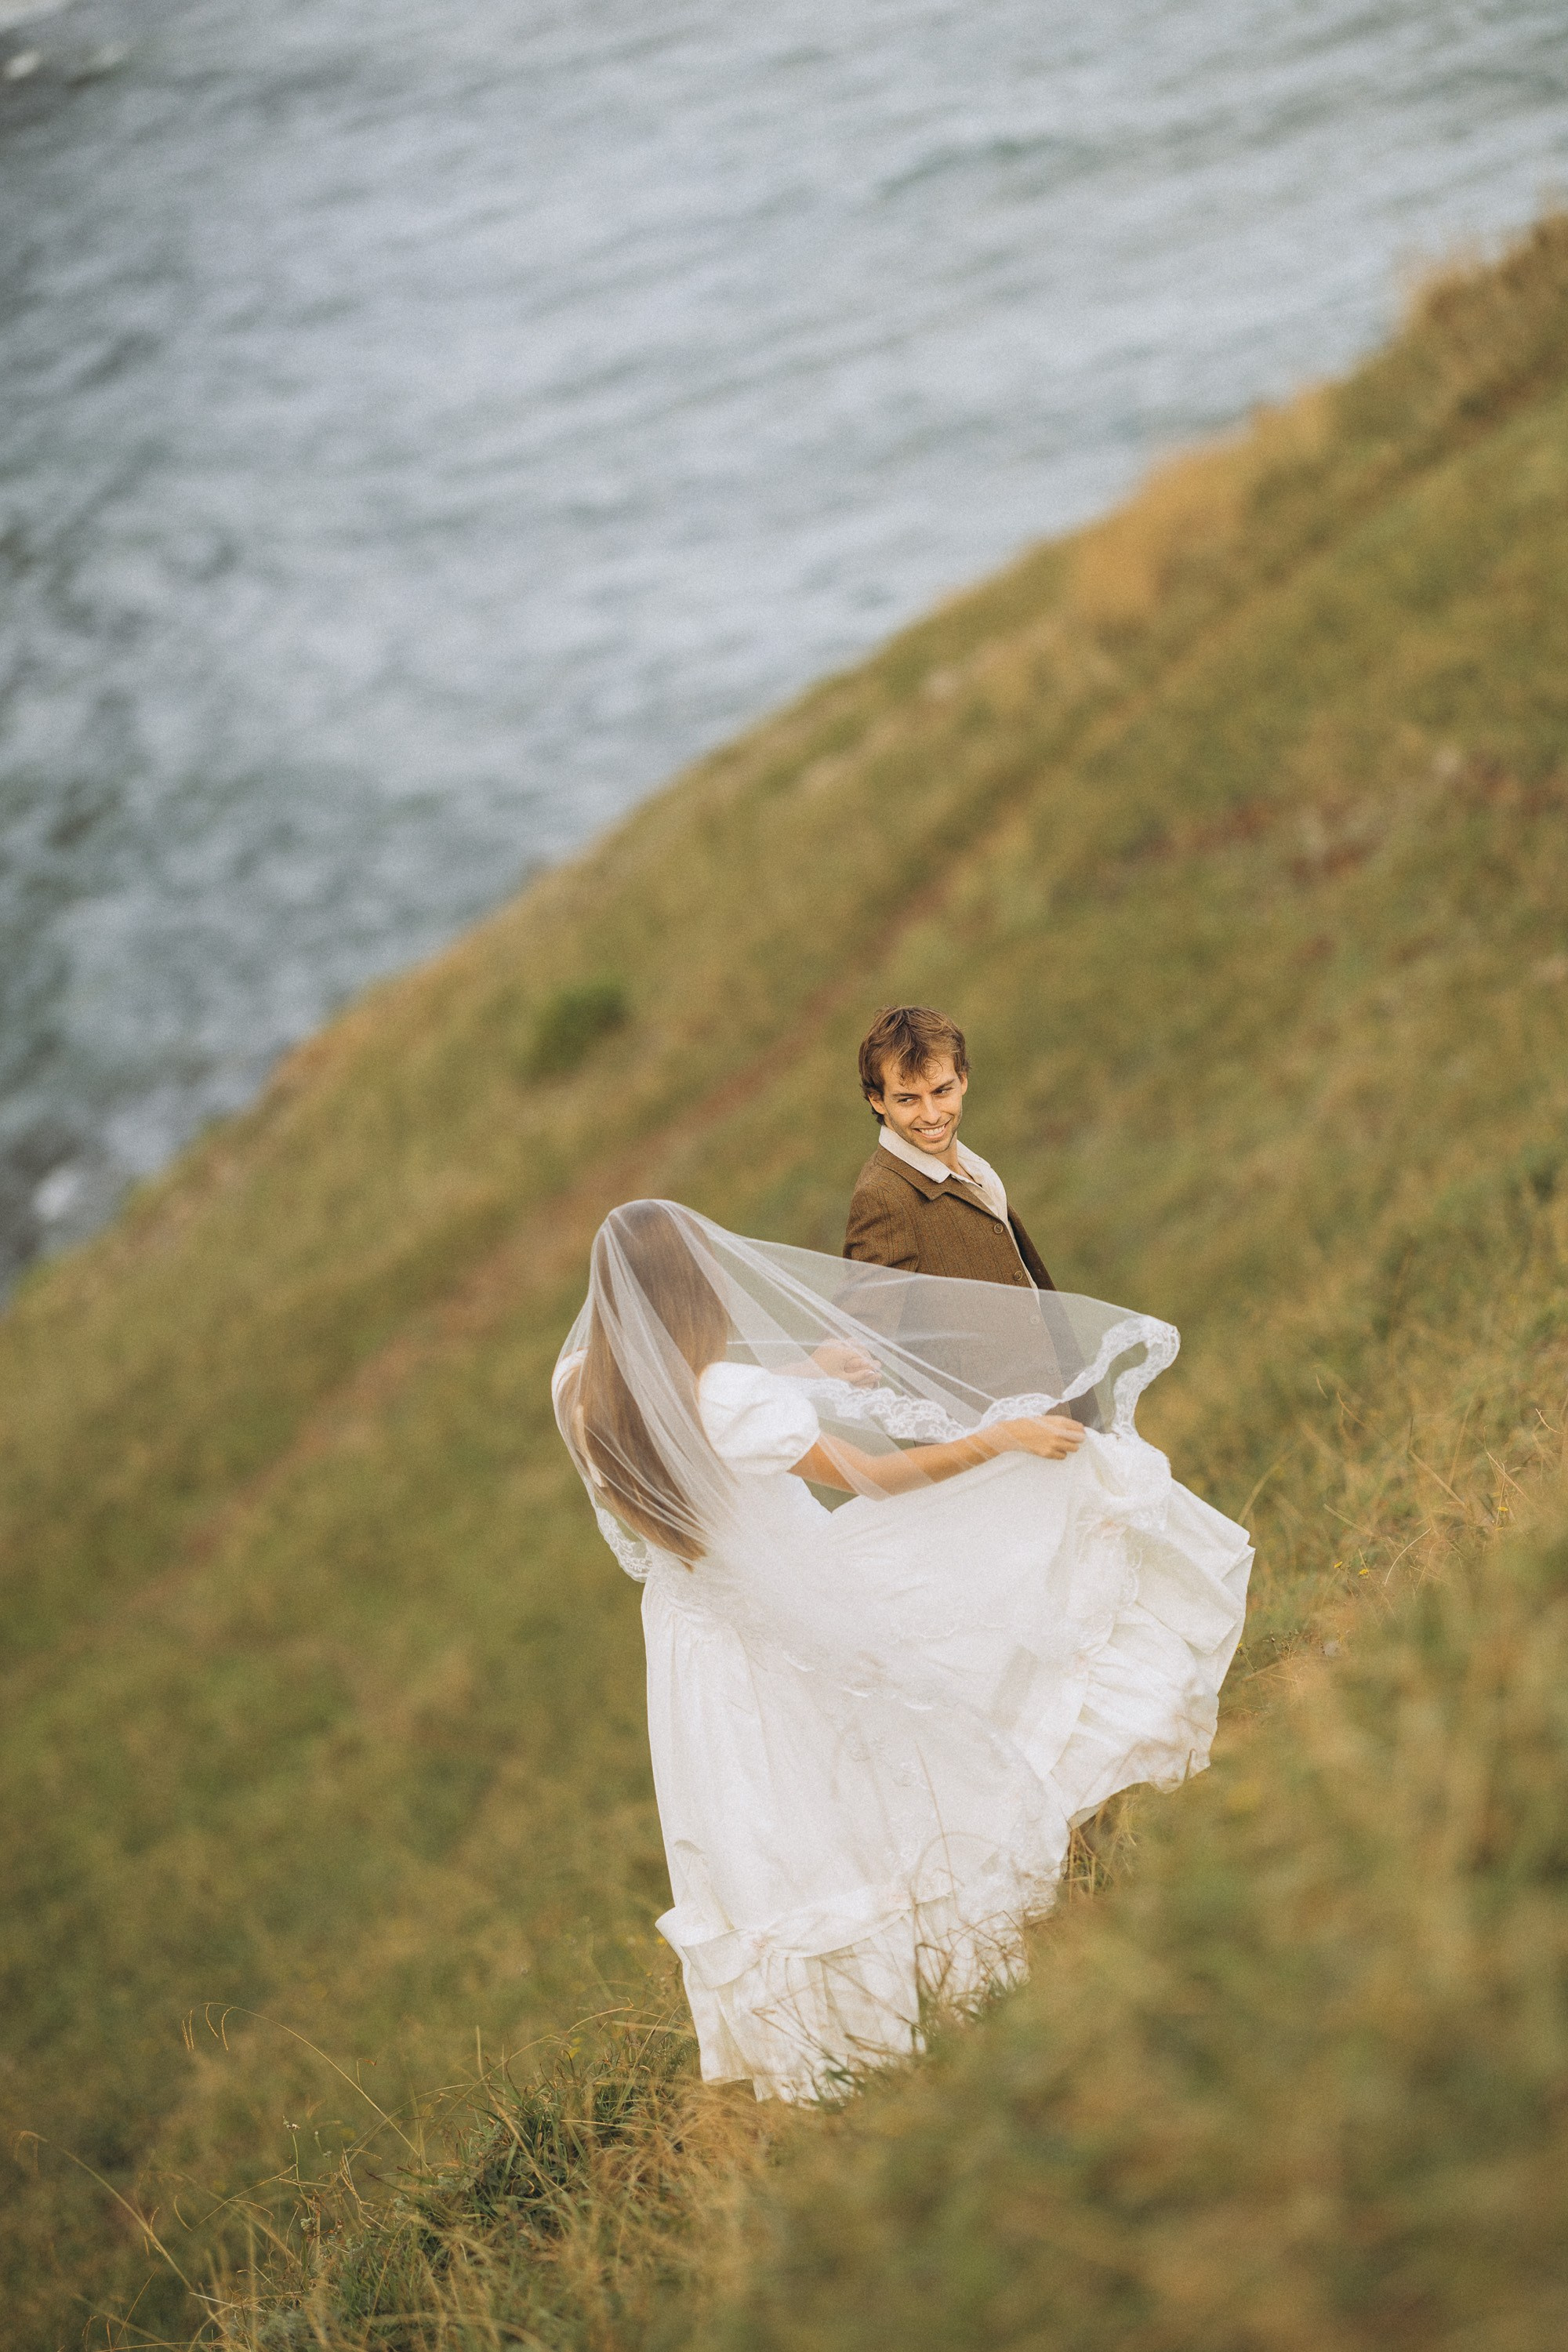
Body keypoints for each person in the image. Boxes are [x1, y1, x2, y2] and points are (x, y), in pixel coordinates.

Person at [553, 1198, 1252, 2104]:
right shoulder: (729, 1400)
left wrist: (802, 1373)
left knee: (781, 1820)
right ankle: (949, 1975)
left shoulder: (577, 1386)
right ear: (693, 1292)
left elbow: (687, 1410)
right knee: (930, 1710)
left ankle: (831, 2040)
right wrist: (999, 1436)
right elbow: (875, 1480)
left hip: (700, 1647)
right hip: (799, 1605)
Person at [844, 1004, 1051, 1289]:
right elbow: (863, 1324)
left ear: (963, 1079)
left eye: (941, 1091)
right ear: (877, 1100)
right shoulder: (881, 1199)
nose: (931, 1115)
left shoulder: (971, 1164)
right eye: (907, 1099)